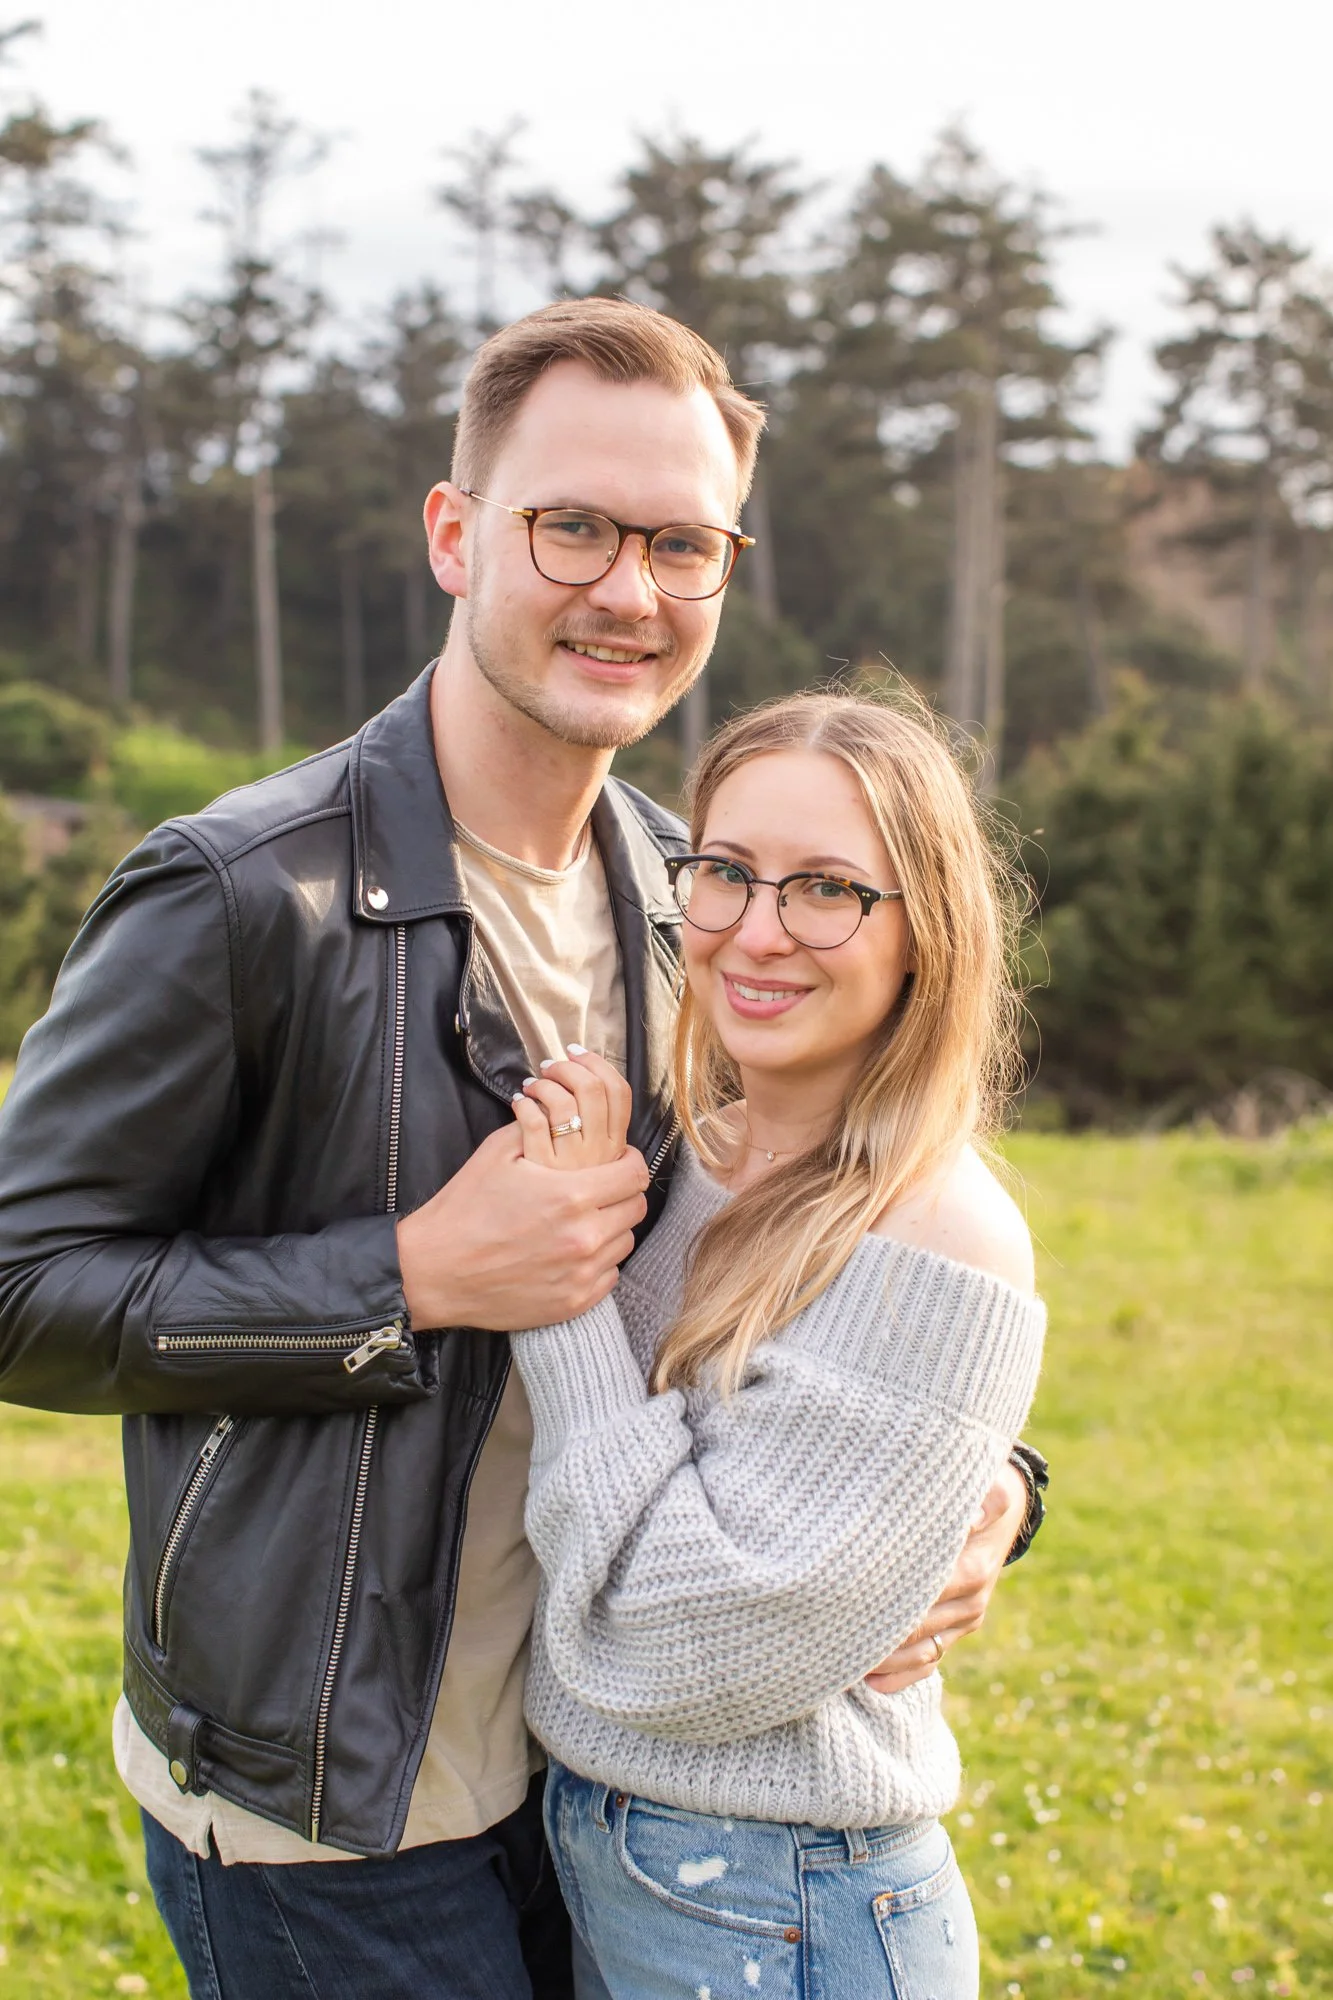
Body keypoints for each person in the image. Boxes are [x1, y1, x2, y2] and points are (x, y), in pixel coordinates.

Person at [0, 298, 1041, 2000]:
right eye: (574, 525)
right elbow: (18, 1282)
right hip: (333, 1816)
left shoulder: (691, 894)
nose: (629, 589)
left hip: (603, 1788)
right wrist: (407, 1276)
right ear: (455, 530)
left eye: (682, 544)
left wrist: (986, 1487)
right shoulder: (240, 896)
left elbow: (814, 1256)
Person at [505, 692, 1045, 1998]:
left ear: (926, 932)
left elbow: (669, 1654)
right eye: (728, 873)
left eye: (826, 890)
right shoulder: (694, 1153)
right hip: (626, 1863)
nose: (758, 929)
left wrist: (556, 1284)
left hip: (785, 1901)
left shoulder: (937, 1230)